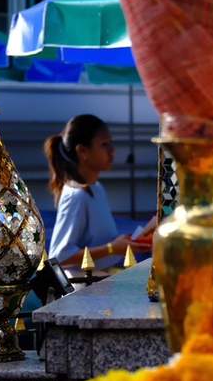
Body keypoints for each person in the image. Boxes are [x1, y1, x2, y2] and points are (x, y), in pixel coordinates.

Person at [45, 115, 154, 269]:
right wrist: (110, 248)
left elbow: (101, 243)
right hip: (82, 289)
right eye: (104, 144)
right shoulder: (76, 196)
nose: (112, 151)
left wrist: (129, 241)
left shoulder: (97, 189)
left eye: (111, 143)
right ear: (83, 151)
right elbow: (59, 256)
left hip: (101, 284)